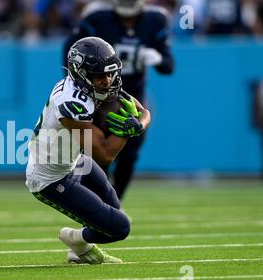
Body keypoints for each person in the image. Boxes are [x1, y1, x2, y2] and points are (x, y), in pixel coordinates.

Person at [25, 37, 151, 264]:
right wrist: (126, 130)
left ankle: (78, 251)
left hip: (75, 162)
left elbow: (144, 112)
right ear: (80, 73)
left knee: (114, 212)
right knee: (119, 228)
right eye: (99, 76)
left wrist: (138, 124)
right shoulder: (72, 102)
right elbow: (105, 154)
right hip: (49, 178)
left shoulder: (97, 84)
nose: (106, 81)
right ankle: (74, 238)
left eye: (110, 74)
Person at [63, 0, 174, 201]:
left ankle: (115, 203)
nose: (128, 19)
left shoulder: (155, 20)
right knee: (97, 156)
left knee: (130, 155)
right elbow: (70, 53)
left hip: (131, 98)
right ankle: (101, 203)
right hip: (98, 99)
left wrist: (158, 58)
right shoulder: (97, 18)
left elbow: (168, 66)